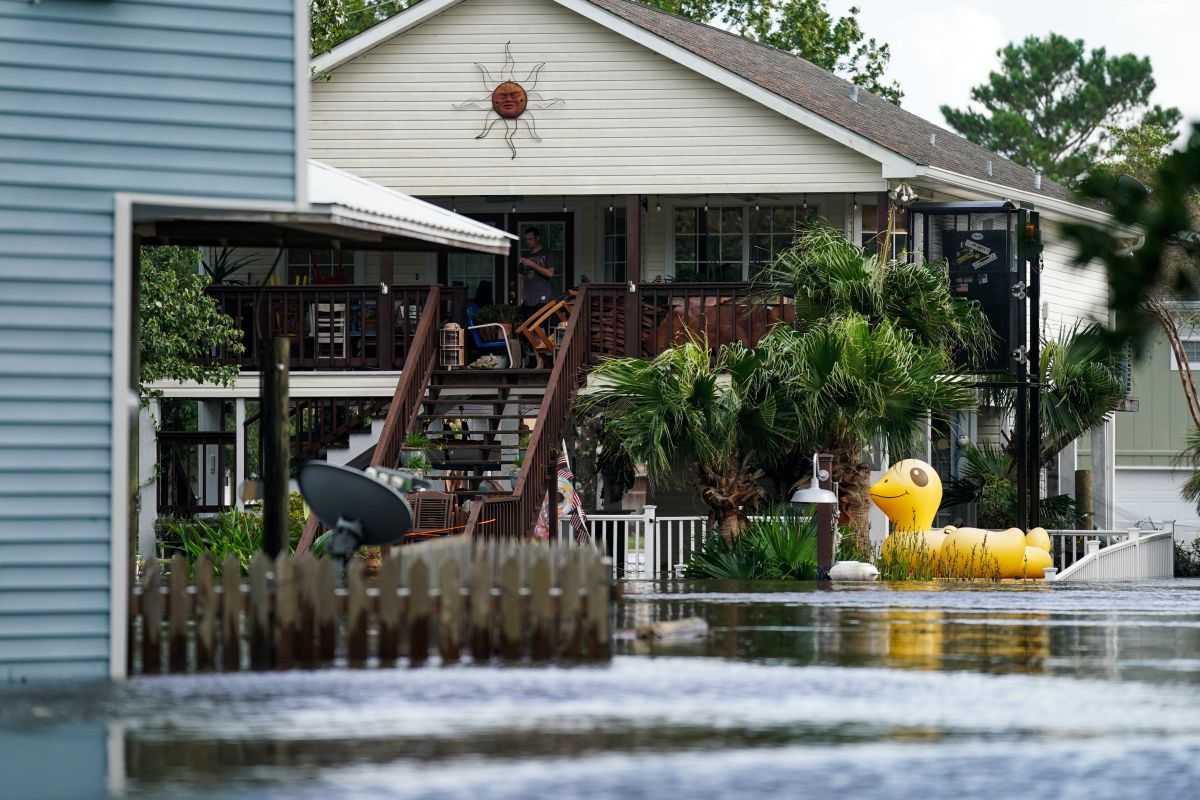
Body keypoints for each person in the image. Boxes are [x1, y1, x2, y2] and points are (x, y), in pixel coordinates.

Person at [517, 227, 556, 321]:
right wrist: (521, 298)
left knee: (541, 329)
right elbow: (522, 278)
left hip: (542, 299)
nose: (528, 242)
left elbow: (550, 273)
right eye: (526, 239)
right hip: (528, 300)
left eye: (530, 239)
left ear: (537, 238)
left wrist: (532, 264)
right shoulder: (525, 255)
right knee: (528, 330)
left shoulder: (547, 253)